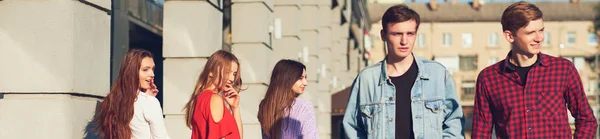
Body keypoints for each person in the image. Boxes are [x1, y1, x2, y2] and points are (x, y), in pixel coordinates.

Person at [471, 1, 598, 138]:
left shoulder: (563, 70)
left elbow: (587, 120)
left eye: (541, 30)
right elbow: (481, 132)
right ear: (510, 36)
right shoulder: (489, 78)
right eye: (530, 33)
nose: (540, 38)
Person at [342, 4, 464, 139]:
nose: (404, 41)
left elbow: (454, 123)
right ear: (383, 35)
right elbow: (352, 128)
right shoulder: (367, 79)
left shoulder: (438, 75)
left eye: (410, 34)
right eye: (397, 34)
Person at [93, 49, 170, 139]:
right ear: (132, 72)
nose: (152, 74)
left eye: (152, 69)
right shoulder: (150, 103)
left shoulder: (111, 102)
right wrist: (149, 100)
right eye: (145, 70)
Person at [183, 50, 243, 139]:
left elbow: (236, 137)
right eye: (227, 72)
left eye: (234, 74)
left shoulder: (199, 98)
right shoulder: (215, 99)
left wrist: (235, 107)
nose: (231, 78)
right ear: (211, 71)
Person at [257, 59, 318, 139]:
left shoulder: (266, 106)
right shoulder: (304, 107)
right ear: (287, 79)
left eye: (305, 78)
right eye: (300, 78)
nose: (305, 83)